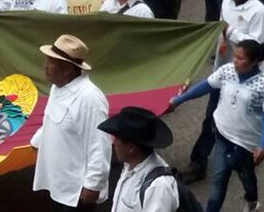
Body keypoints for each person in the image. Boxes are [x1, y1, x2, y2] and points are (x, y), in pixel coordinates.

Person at [183, 0, 264, 184]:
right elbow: (221, 29)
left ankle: (248, 153)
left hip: (247, 79)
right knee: (212, 117)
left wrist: (230, 32)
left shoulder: (258, 11)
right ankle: (198, 161)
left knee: (243, 118)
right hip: (224, 71)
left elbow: (255, 47)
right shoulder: (227, 3)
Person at [170, 40, 264, 212]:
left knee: (247, 176)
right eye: (235, 56)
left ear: (254, 61)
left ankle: (251, 200)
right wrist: (179, 100)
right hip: (222, 135)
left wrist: (262, 145)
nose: (234, 60)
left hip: (245, 144)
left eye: (240, 58)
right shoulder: (227, 71)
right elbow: (206, 85)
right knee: (218, 180)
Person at [32, 34, 111, 210]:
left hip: (76, 190)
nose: (45, 67)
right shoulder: (57, 88)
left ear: (67, 69)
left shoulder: (90, 99)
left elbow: (100, 145)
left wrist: (93, 184)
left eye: (50, 63)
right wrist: (37, 142)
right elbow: (51, 120)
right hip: (57, 181)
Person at [98, 107, 180, 212]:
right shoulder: (128, 165)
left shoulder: (158, 187)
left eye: (116, 139)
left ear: (131, 148)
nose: (113, 143)